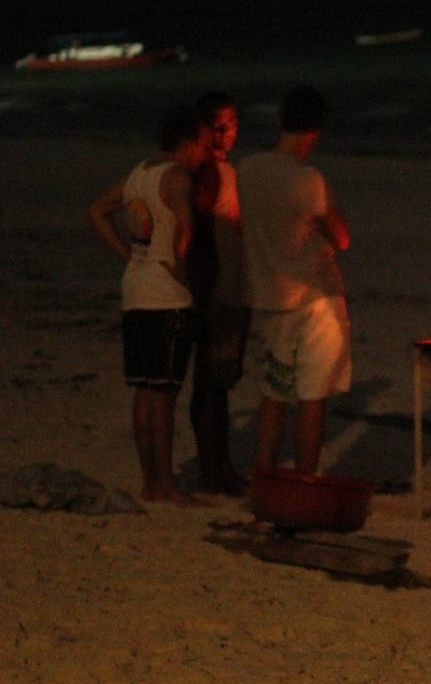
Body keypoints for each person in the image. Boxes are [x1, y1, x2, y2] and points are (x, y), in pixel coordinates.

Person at [87, 107, 212, 505]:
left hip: (135, 287)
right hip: (165, 295)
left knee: (143, 389)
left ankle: (150, 482)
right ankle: (166, 484)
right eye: (204, 146)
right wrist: (181, 271)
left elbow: (98, 211)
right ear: (187, 143)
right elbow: (184, 230)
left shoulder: (138, 174)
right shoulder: (178, 177)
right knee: (164, 393)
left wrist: (128, 255)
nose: (206, 155)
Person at [237, 86, 350, 473]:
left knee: (274, 393)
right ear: (315, 131)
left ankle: (263, 476)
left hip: (270, 296)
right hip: (313, 299)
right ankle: (303, 481)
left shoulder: (248, 170)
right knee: (311, 398)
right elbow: (341, 237)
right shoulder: (308, 178)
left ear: (280, 121)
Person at [187, 92, 251, 494]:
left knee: (213, 381)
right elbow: (203, 229)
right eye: (219, 125)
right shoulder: (212, 173)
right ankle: (214, 470)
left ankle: (217, 466)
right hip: (220, 289)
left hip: (220, 286)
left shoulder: (213, 171)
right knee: (214, 381)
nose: (227, 132)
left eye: (232, 123)